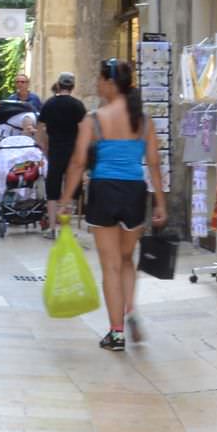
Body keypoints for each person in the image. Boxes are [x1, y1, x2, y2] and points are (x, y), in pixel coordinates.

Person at [62, 58, 166, 351]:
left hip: (104, 190)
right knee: (126, 260)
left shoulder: (93, 120)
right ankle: (130, 308)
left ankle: (116, 333)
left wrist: (66, 199)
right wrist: (161, 203)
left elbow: (78, 163)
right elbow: (155, 165)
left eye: (98, 80)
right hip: (135, 192)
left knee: (109, 266)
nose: (96, 85)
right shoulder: (144, 121)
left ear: (108, 83)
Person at [37, 73, 88, 237]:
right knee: (71, 188)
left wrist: (44, 146)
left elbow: (40, 128)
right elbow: (83, 130)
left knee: (53, 188)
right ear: (72, 87)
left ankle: (52, 228)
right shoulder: (78, 106)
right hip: (73, 151)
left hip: (55, 150)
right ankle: (67, 229)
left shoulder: (49, 104)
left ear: (58, 85)